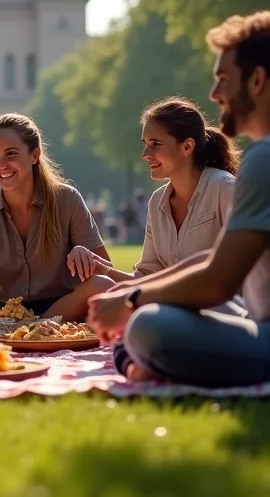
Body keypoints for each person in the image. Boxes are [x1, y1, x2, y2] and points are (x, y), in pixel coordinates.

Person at [88, 10, 270, 388]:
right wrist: (131, 291)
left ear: (257, 81)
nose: (214, 94)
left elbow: (218, 282)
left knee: (148, 326)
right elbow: (216, 258)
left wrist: (130, 303)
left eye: (223, 79)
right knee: (155, 311)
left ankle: (144, 360)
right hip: (268, 325)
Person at [68, 97, 241, 380]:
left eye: (155, 144)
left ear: (187, 147)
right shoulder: (157, 202)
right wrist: (102, 269)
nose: (145, 153)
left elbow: (235, 273)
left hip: (226, 311)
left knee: (142, 323)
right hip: (177, 313)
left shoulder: (224, 188)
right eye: (145, 143)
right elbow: (147, 278)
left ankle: (148, 363)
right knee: (127, 317)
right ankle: (146, 362)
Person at [0, 113, 114, 337]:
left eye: (11, 154)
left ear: (34, 155)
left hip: (63, 306)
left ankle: (21, 332)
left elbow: (107, 274)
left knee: (101, 286)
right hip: (7, 312)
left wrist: (85, 255)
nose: (1, 165)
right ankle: (42, 330)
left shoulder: (67, 199)